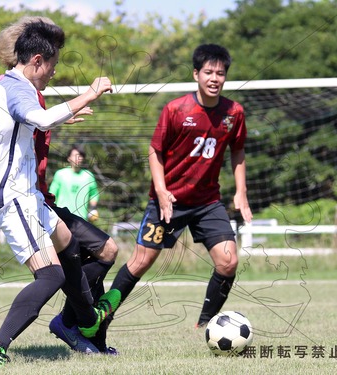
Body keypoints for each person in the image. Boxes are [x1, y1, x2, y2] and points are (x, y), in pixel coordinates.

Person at [0, 20, 120, 368]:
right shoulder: (18, 88)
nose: (54, 72)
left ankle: (85, 318)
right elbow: (38, 118)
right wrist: (90, 92)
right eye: (53, 65)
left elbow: (28, 122)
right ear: (37, 60)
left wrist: (54, 119)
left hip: (28, 196)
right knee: (52, 275)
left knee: (69, 242)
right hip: (13, 197)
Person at [107, 44, 253, 330]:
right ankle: (101, 316)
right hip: (169, 201)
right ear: (196, 74)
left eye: (220, 74)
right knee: (140, 263)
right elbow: (154, 151)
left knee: (228, 261)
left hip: (208, 202)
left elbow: (238, 151)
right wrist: (161, 192)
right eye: (208, 72)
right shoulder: (176, 109)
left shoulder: (233, 113)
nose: (214, 78)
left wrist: (241, 192)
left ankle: (206, 325)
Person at [49, 145, 100, 222]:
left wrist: (93, 209)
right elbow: (52, 195)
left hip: (81, 219)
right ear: (68, 158)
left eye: (80, 156)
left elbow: (94, 194)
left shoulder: (88, 176)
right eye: (74, 155)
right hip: (61, 218)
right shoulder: (60, 174)